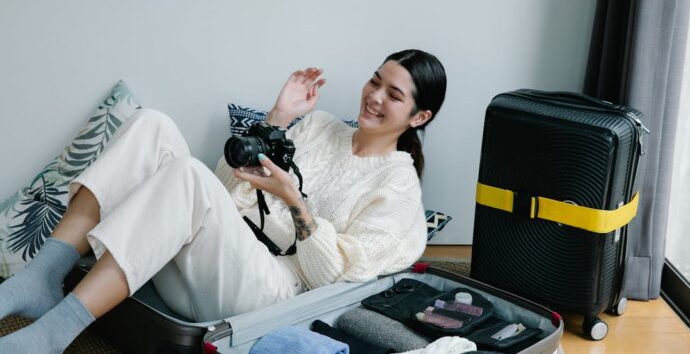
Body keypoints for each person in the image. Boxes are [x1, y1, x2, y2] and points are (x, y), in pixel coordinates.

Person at [0, 49, 447, 353]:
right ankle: (42, 277)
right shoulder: (321, 126)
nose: (374, 97)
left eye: (394, 95)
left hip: (271, 294)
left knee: (188, 174)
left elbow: (332, 281)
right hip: (207, 267)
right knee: (153, 125)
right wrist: (279, 118)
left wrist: (294, 201)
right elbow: (220, 189)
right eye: (375, 81)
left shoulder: (398, 188)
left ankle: (57, 332)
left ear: (419, 116)